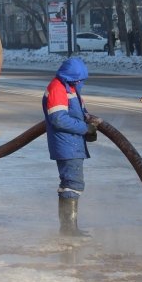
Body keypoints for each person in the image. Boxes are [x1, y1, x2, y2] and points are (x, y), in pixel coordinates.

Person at [42, 57, 97, 237]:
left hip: (72, 142)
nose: (80, 83)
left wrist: (88, 118)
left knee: (73, 183)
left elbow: (76, 112)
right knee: (71, 184)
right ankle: (68, 229)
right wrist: (84, 128)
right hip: (66, 143)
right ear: (71, 77)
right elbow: (58, 118)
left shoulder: (69, 87)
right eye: (78, 80)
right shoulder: (58, 88)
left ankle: (70, 227)